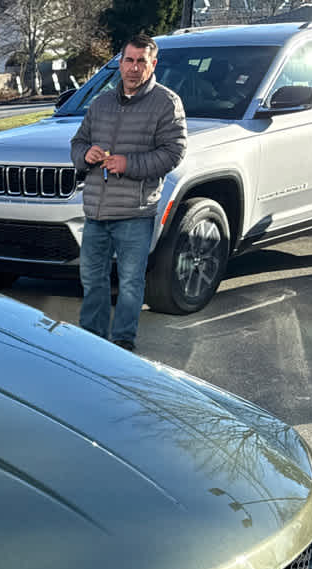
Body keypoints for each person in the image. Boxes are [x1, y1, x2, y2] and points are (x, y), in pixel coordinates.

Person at [70, 35, 187, 353]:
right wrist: (87, 155)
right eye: (129, 60)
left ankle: (122, 343)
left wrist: (129, 163)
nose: (134, 68)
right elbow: (77, 143)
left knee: (131, 283)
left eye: (141, 61)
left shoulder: (166, 103)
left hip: (135, 211)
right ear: (119, 63)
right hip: (96, 210)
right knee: (92, 280)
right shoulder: (101, 102)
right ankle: (91, 339)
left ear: (153, 64)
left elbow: (173, 153)